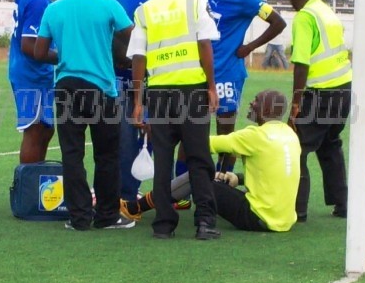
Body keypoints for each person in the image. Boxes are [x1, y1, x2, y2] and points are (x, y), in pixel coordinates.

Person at [33, 0, 135, 231]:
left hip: (66, 87)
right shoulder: (109, 5)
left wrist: (66, 56)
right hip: (102, 88)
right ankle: (106, 216)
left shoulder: (55, 9)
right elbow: (133, 37)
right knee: (107, 155)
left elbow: (39, 52)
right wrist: (118, 56)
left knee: (72, 154)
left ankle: (78, 218)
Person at [127, 0, 221, 240]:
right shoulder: (194, 1)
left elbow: (138, 58)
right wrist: (212, 86)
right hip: (192, 91)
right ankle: (205, 222)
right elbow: (204, 44)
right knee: (199, 158)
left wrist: (138, 101)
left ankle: (164, 225)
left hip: (159, 94)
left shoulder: (144, 10)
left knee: (163, 160)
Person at [120, 90, 301, 232]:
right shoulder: (290, 134)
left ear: (267, 110)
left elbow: (202, 144)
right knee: (210, 177)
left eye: (256, 100)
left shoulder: (255, 136)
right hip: (285, 220)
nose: (251, 103)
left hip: (258, 217)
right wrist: (238, 178)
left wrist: (171, 130)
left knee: (198, 176)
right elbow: (276, 172)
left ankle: (135, 208)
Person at [191, 0, 286, 180]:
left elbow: (278, 22)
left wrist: (250, 46)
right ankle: (190, 185)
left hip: (228, 73)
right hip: (198, 71)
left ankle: (223, 180)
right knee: (194, 129)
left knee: (225, 131)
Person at [287, 0, 352, 222]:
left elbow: (301, 63)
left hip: (321, 92)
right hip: (344, 87)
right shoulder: (325, 10)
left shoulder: (305, 17)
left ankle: (298, 209)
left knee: (298, 148)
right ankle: (343, 202)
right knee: (330, 144)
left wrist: (296, 102)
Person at [104, 0, 164, 202]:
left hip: (149, 80)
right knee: (123, 137)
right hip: (118, 77)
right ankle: (122, 193)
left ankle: (131, 190)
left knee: (148, 136)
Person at [8, 0, 70, 165]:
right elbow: (29, 46)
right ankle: (29, 188)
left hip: (34, 73)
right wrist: (65, 57)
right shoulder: (38, 1)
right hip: (30, 75)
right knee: (35, 131)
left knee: (45, 130)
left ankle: (36, 185)